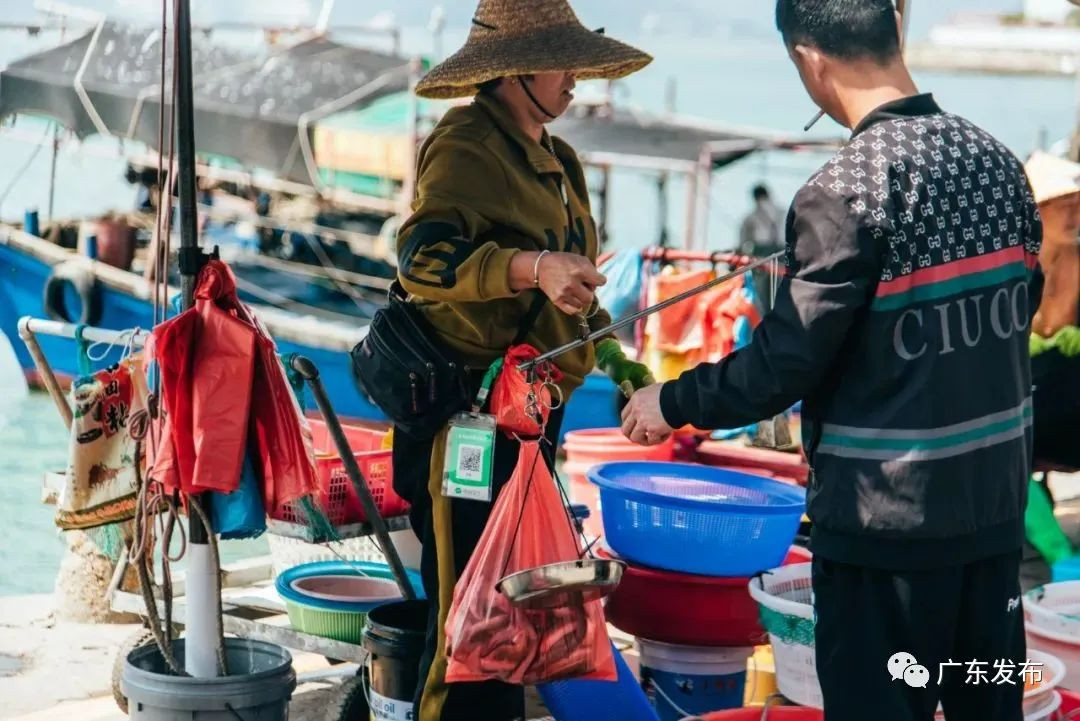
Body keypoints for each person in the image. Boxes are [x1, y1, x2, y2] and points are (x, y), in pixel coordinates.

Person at [621, 1, 1044, 719]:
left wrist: (669, 401)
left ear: (809, 59)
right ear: (892, 34)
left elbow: (787, 361)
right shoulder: (999, 163)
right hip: (994, 519)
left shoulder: (846, 189)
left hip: (886, 537)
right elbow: (1021, 303)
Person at [392, 2, 653, 719]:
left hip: (535, 420)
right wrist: (531, 266)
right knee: (466, 620)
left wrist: (624, 367)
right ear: (513, 69)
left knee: (518, 611)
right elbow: (421, 260)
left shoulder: (559, 159)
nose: (575, 79)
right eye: (561, 62)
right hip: (467, 419)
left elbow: (575, 292)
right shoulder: (465, 144)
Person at [738, 183, 785, 259]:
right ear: (768, 195)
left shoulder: (749, 218)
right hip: (780, 250)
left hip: (761, 252)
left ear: (755, 198)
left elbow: (742, 241)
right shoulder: (782, 212)